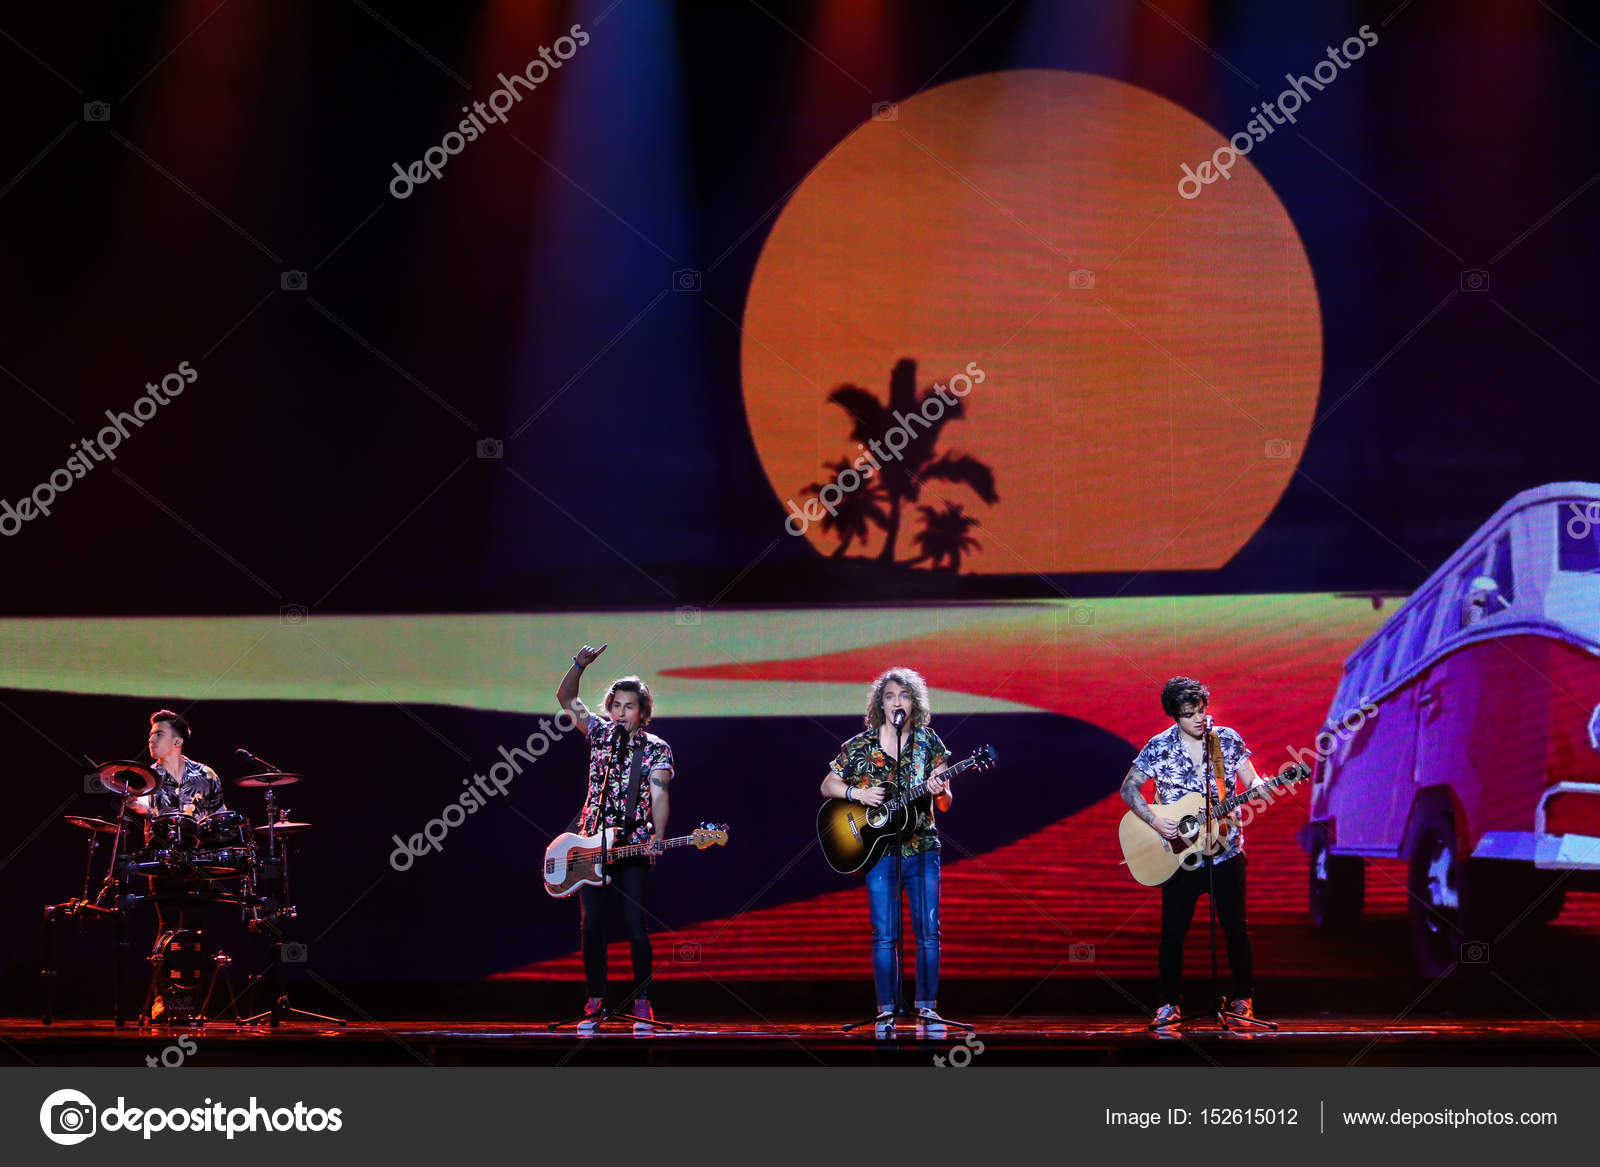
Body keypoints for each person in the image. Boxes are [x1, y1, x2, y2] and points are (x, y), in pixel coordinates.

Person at [1120, 676, 1264, 1027]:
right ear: (1175, 716)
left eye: (1202, 710)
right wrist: (1156, 821)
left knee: (1235, 928)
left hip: (1226, 852)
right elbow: (1129, 789)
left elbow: (1253, 781)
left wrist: (1263, 787)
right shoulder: (1159, 746)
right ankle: (1169, 1004)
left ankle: (1242, 1000)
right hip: (1179, 855)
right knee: (1173, 932)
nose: (1199, 718)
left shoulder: (1226, 741)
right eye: (1189, 713)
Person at [820, 667, 952, 1035]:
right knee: (884, 933)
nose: (898, 702)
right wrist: (857, 794)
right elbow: (827, 783)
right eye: (891, 695)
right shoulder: (860, 745)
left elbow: (945, 805)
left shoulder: (929, 743)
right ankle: (885, 1012)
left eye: (905, 696)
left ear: (915, 702)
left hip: (923, 848)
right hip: (878, 853)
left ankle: (927, 1010)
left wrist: (940, 790)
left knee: (928, 931)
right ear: (881, 702)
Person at [556, 643, 673, 1032]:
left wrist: (658, 834)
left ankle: (642, 1002)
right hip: (590, 843)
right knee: (592, 925)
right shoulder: (600, 734)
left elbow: (659, 794)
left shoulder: (656, 749)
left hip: (633, 845)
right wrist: (579, 665)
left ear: (642, 712)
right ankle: (595, 1000)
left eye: (629, 707)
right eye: (616, 705)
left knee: (634, 923)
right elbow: (566, 697)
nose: (621, 712)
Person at [130, 709, 228, 1021]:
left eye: (158, 734)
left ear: (177, 740)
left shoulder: (206, 775)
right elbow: (143, 808)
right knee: (167, 927)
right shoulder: (146, 777)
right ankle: (164, 999)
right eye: (150, 735)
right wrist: (132, 800)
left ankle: (193, 999)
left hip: (198, 861)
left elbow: (219, 814)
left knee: (196, 929)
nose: (151, 739)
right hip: (161, 860)